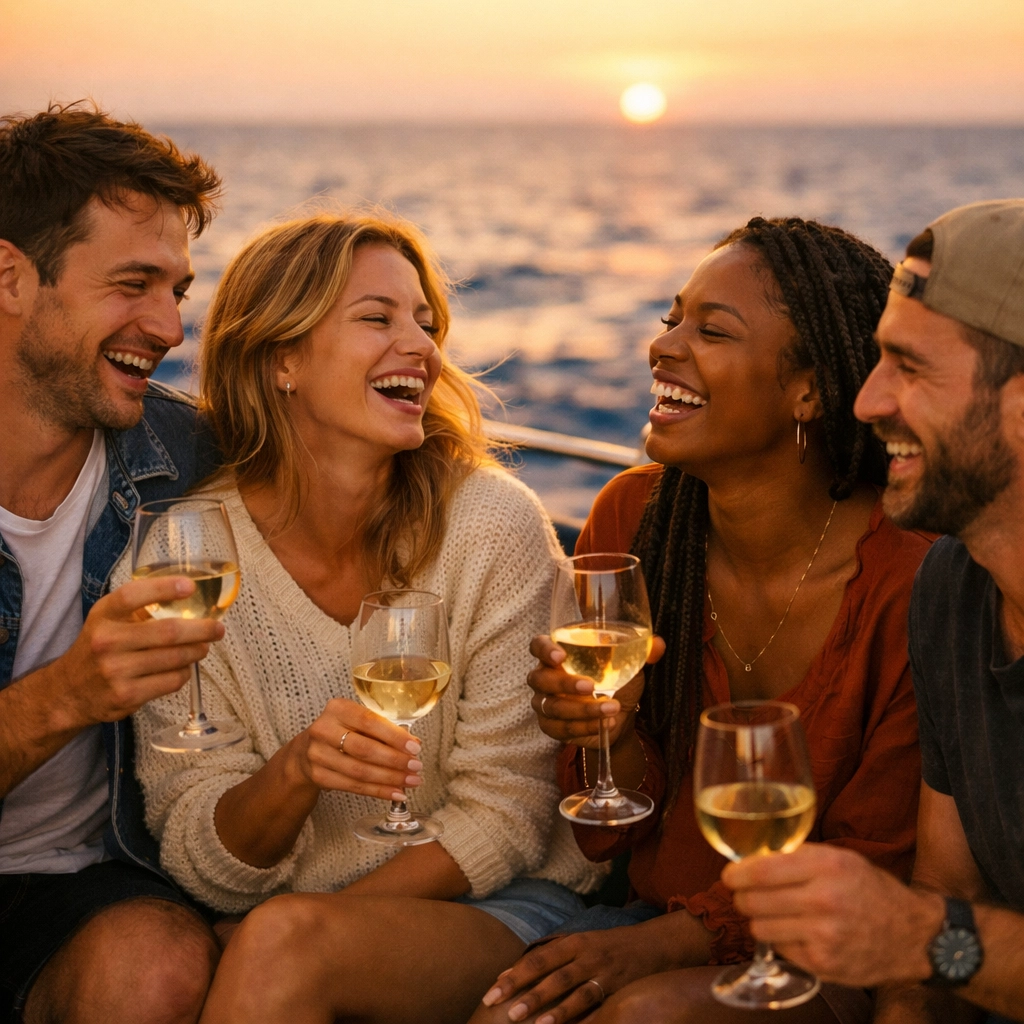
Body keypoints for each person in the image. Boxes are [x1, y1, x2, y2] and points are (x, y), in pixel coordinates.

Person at [122, 211, 603, 1024]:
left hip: (501, 906)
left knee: (282, 950)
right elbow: (201, 854)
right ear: (282, 359)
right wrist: (296, 773)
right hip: (285, 930)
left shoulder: (492, 524)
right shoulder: (186, 558)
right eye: (377, 319)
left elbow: (507, 817)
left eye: (426, 322)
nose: (421, 347)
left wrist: (292, 931)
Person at [473, 217, 932, 1024]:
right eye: (671, 320)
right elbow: (609, 835)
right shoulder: (634, 519)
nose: (664, 346)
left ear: (811, 390)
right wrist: (608, 736)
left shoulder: (912, 578)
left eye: (711, 331)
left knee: (644, 1016)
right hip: (649, 922)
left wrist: (666, 946)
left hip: (834, 956)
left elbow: (879, 861)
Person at [722, 200, 1024, 1024]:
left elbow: (929, 929)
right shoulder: (952, 588)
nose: (865, 401)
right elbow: (947, 889)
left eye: (910, 367)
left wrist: (921, 938)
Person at [0, 104, 223, 1023]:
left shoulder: (188, 451)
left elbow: (345, 482)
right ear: (11, 277)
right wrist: (68, 695)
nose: (169, 328)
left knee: (158, 964)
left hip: (88, 881)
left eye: (178, 290)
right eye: (134, 284)